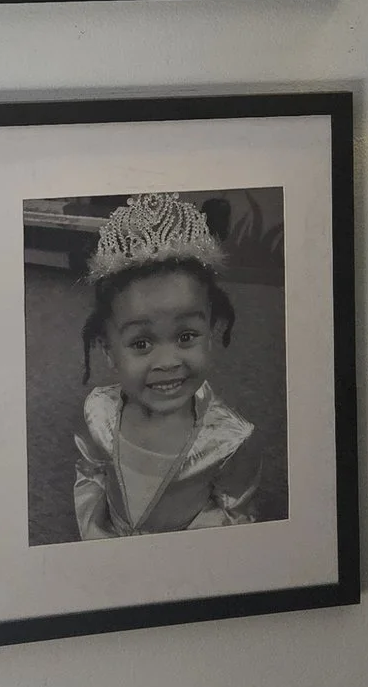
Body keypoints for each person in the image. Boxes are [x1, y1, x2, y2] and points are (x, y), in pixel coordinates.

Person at [68, 195, 264, 538]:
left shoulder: (232, 438)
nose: (169, 362)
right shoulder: (97, 412)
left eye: (186, 336)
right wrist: (95, 534)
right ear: (108, 351)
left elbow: (237, 514)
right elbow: (91, 472)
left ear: (211, 333)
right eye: (141, 343)